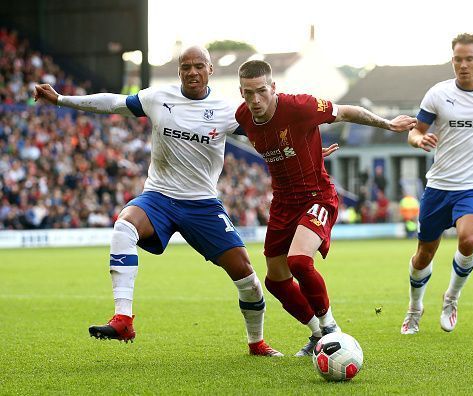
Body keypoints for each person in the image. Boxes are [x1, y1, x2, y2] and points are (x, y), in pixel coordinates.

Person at [33, 46, 282, 356]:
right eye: (186, 66)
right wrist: (61, 99)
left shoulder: (230, 110)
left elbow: (270, 132)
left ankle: (256, 343)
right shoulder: (156, 98)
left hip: (202, 204)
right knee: (124, 226)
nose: (192, 72)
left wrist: (301, 151)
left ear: (210, 70)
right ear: (179, 71)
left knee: (247, 278)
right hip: (159, 197)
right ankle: (123, 317)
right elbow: (113, 103)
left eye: (199, 66)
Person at [235, 59, 417, 356]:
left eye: (261, 91)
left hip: (316, 196)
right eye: (248, 93)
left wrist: (387, 123)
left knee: (298, 262)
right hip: (282, 203)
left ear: (273, 87)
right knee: (276, 281)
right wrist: (309, 150)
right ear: (240, 92)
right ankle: (317, 333)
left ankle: (331, 328)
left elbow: (346, 111)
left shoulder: (299, 107)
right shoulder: (242, 116)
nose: (255, 99)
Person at [400, 33, 473, 334]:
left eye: (468, 59)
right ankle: (415, 307)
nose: (463, 65)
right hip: (439, 186)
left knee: (468, 240)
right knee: (424, 254)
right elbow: (414, 132)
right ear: (452, 61)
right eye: (457, 60)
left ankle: (451, 297)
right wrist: (418, 139)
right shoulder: (438, 94)